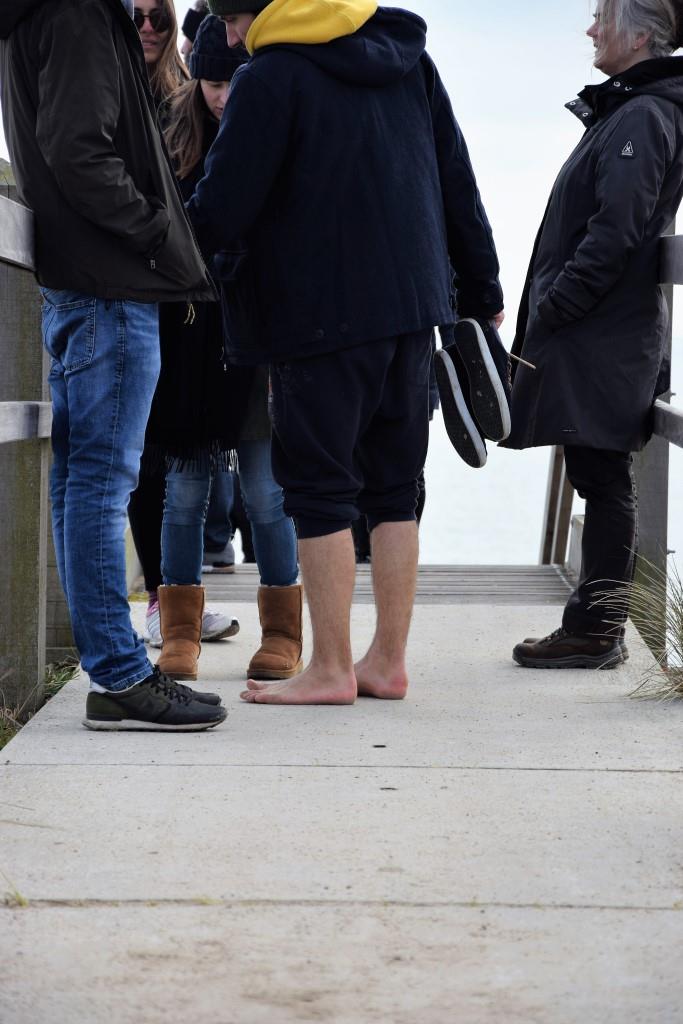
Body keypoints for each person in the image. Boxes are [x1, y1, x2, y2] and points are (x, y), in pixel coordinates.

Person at [188, 0, 504, 705]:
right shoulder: (407, 60)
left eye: (231, 18)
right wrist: (480, 289)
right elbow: (457, 180)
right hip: (411, 310)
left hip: (315, 314)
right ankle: (385, 662)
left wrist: (163, 254)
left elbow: (223, 205)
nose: (229, 36)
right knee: (395, 490)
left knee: (318, 488)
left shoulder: (271, 76)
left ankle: (330, 668)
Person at [0, 0, 226, 731]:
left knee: (79, 482)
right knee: (100, 483)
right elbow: (79, 152)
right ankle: (124, 676)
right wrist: (159, 235)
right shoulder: (76, 14)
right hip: (111, 285)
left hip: (83, 283)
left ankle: (112, 668)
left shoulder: (45, 16)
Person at [505, 0, 683, 669]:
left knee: (602, 475)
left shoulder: (641, 113)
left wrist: (554, 306)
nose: (589, 29)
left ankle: (594, 630)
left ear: (638, 36)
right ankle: (594, 624)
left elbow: (616, 232)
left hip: (599, 334)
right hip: (603, 332)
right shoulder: (633, 108)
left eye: (600, 18)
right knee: (599, 472)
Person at [147, 14, 301, 683]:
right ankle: (178, 628)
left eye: (232, 79)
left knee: (268, 494)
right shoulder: (170, 137)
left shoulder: (278, 127)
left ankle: (282, 632)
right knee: (184, 491)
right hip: (188, 338)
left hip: (261, 337)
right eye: (211, 81)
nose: (221, 94)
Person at [128, 0, 238, 649]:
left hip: (186, 304)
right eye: (136, 16)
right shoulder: (104, 78)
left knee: (178, 453)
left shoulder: (183, 98)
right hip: (129, 287)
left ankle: (177, 601)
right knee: (139, 457)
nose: (147, 26)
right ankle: (159, 605)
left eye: (158, 19)